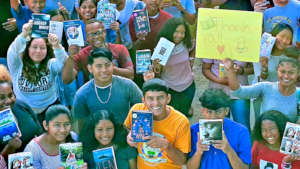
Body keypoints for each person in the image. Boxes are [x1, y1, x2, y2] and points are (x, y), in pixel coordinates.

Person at [7, 20, 68, 122]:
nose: (38, 51)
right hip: (24, 111)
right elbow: (13, 50)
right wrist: (24, 34)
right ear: (28, 49)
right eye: (34, 47)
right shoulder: (17, 64)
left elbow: (63, 63)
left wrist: (57, 46)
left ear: (47, 50)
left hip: (50, 108)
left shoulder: (51, 63)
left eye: (42, 48)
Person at [124, 78, 191, 169]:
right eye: (150, 98)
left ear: (168, 98)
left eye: (160, 97)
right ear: (143, 100)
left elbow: (182, 161)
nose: (155, 103)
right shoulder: (137, 110)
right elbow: (126, 127)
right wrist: (129, 136)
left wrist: (166, 145)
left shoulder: (181, 122)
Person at [73, 47, 142, 133]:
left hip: (126, 139)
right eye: (99, 66)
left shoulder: (128, 86)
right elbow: (81, 128)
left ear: (113, 65)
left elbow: (143, 109)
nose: (104, 70)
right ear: (90, 68)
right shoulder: (81, 94)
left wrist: (134, 133)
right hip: (98, 141)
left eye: (107, 65)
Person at [187, 88, 251, 169]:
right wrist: (198, 152)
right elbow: (189, 167)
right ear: (203, 111)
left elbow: (245, 167)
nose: (213, 117)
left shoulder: (241, 132)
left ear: (226, 111)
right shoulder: (193, 130)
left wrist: (228, 150)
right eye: (209, 112)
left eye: (218, 112)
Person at [225, 57, 300, 122]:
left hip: (290, 137)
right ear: (277, 71)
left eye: (291, 72)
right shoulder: (266, 87)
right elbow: (239, 92)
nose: (286, 76)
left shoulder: (298, 94)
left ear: (298, 73)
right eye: (282, 72)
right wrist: (230, 70)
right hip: (265, 136)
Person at [62, 20, 134, 84]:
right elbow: (66, 80)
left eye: (99, 32)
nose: (96, 37)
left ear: (104, 32)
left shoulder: (120, 49)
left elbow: (131, 75)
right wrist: (71, 57)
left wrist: (110, 68)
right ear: (87, 38)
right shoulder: (81, 55)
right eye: (91, 34)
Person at [152, 17, 195, 117]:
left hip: (188, 86)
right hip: (170, 89)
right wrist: (157, 67)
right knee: (172, 117)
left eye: (182, 32)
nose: (179, 35)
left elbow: (194, 47)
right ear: (169, 31)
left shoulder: (186, 43)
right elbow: (157, 74)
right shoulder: (162, 47)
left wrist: (191, 60)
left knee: (183, 116)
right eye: (176, 32)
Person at [24, 104, 85, 169]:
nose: (62, 130)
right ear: (45, 125)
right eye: (57, 125)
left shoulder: (73, 137)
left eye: (66, 124)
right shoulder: (33, 149)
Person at [0, 65, 43, 154]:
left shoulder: (21, 105)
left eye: (10, 95)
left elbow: (40, 133)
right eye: (1, 98)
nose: (8, 101)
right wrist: (10, 148)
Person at [202, 57, 253, 130]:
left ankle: (241, 141)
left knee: (243, 125)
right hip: (217, 91)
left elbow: (255, 68)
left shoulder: (248, 46)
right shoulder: (212, 46)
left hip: (239, 91)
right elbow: (205, 69)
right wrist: (219, 80)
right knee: (216, 127)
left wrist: (241, 70)